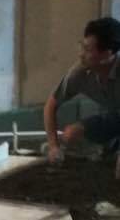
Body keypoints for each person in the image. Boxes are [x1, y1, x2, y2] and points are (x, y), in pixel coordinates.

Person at [44, 17, 120, 167]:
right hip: (114, 118)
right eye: (82, 46)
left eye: (88, 50)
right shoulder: (80, 72)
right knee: (75, 132)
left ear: (107, 54)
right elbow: (51, 105)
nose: (81, 54)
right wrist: (53, 146)